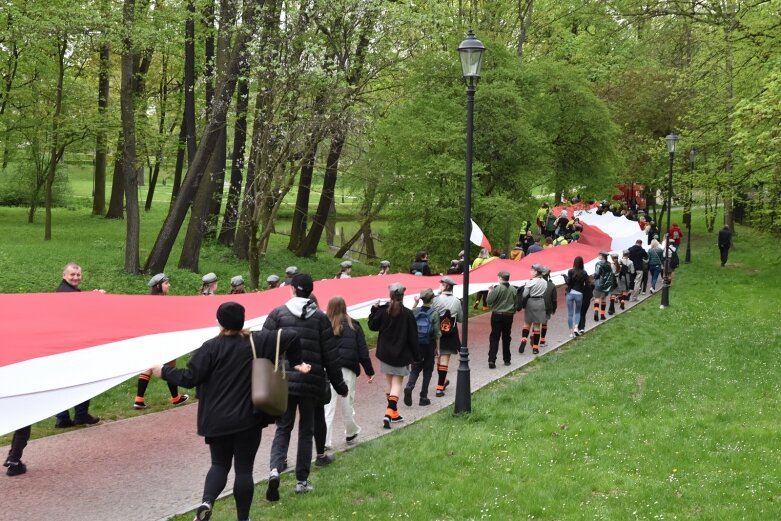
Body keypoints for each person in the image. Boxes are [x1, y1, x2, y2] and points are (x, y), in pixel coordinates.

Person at [154, 302, 310, 521]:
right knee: (244, 470)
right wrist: (297, 363)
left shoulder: (209, 348)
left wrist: (164, 371)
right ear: (242, 320)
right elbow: (291, 335)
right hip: (248, 419)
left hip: (216, 421)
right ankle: (243, 518)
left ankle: (206, 502)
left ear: (219, 322)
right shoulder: (257, 341)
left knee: (219, 465)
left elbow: (189, 378)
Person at [262, 273, 348, 499]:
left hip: (284, 380)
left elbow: (264, 345)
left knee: (283, 427)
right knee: (306, 431)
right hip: (311, 380)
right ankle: (301, 480)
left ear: (291, 289)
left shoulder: (277, 314)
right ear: (310, 292)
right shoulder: (320, 318)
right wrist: (340, 386)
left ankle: (274, 468)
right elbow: (331, 356)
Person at [54, 262, 101, 428]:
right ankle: (72, 416)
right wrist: (93, 298)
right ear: (64, 275)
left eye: (78, 275)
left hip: (69, 345)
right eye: (72, 275)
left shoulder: (71, 291)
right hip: (67, 346)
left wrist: (90, 297)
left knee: (69, 381)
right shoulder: (64, 293)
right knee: (80, 379)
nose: (75, 277)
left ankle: (70, 417)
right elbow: (75, 308)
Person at [368, 283, 421, 429]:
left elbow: (372, 326)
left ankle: (394, 413)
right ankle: (388, 413)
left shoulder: (383, 311)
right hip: (402, 355)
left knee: (389, 384)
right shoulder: (408, 314)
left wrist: (373, 309)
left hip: (385, 354)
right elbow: (413, 338)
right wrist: (417, 356)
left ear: (390, 295)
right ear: (403, 295)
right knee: (397, 385)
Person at [324, 296, 375, 448]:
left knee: (328, 406)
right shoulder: (354, 326)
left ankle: (325, 440)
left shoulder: (324, 326)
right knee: (347, 402)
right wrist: (369, 370)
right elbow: (363, 351)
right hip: (347, 368)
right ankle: (350, 431)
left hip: (328, 369)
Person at [134, 273, 189, 410]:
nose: (169, 285)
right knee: (170, 366)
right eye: (166, 283)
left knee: (149, 366)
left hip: (151, 338)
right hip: (163, 338)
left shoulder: (150, 301)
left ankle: (139, 399)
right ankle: (176, 398)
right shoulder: (162, 301)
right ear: (158, 286)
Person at [404, 288, 440, 405]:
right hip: (429, 345)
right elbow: (437, 333)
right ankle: (423, 397)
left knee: (415, 368)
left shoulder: (416, 311)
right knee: (428, 370)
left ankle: (409, 386)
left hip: (417, 345)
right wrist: (437, 348)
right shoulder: (434, 313)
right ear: (431, 299)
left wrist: (415, 302)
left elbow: (409, 312)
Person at [431, 276, 461, 397]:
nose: (439, 285)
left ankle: (440, 384)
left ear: (446, 286)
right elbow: (460, 319)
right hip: (451, 334)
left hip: (437, 332)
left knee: (439, 358)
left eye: (441, 284)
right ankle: (440, 386)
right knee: (444, 360)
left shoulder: (436, 300)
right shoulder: (457, 301)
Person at [486, 271, 516, 368]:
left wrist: (490, 292)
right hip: (509, 315)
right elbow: (516, 303)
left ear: (500, 278)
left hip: (497, 315)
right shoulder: (513, 289)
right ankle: (507, 359)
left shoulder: (497, 288)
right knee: (506, 337)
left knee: (495, 337)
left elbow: (489, 301)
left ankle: (492, 359)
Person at [517, 264, 547, 355]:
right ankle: (535, 348)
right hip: (540, 302)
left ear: (536, 272)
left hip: (531, 303)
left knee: (527, 324)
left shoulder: (530, 282)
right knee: (537, 326)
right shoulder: (544, 282)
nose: (531, 272)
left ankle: (524, 339)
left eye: (532, 270)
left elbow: (525, 295)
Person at [565, 256, 588, 338]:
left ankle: (570, 333)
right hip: (579, 294)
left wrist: (564, 276)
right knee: (578, 312)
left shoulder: (570, 271)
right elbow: (587, 284)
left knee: (570, 314)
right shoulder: (584, 273)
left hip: (570, 293)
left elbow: (568, 282)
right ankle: (576, 327)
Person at [592, 251, 616, 321]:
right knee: (603, 299)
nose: (598, 256)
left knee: (597, 298)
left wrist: (594, 276)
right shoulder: (609, 264)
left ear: (602, 256)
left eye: (599, 255)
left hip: (598, 284)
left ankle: (596, 311)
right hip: (606, 285)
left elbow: (597, 274)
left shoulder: (598, 264)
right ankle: (602, 315)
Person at [540, 266, 558, 346]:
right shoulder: (552, 285)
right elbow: (554, 300)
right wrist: (554, 309)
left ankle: (534, 339)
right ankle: (542, 340)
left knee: (536, 323)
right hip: (547, 307)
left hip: (535, 306)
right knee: (544, 323)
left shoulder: (535, 283)